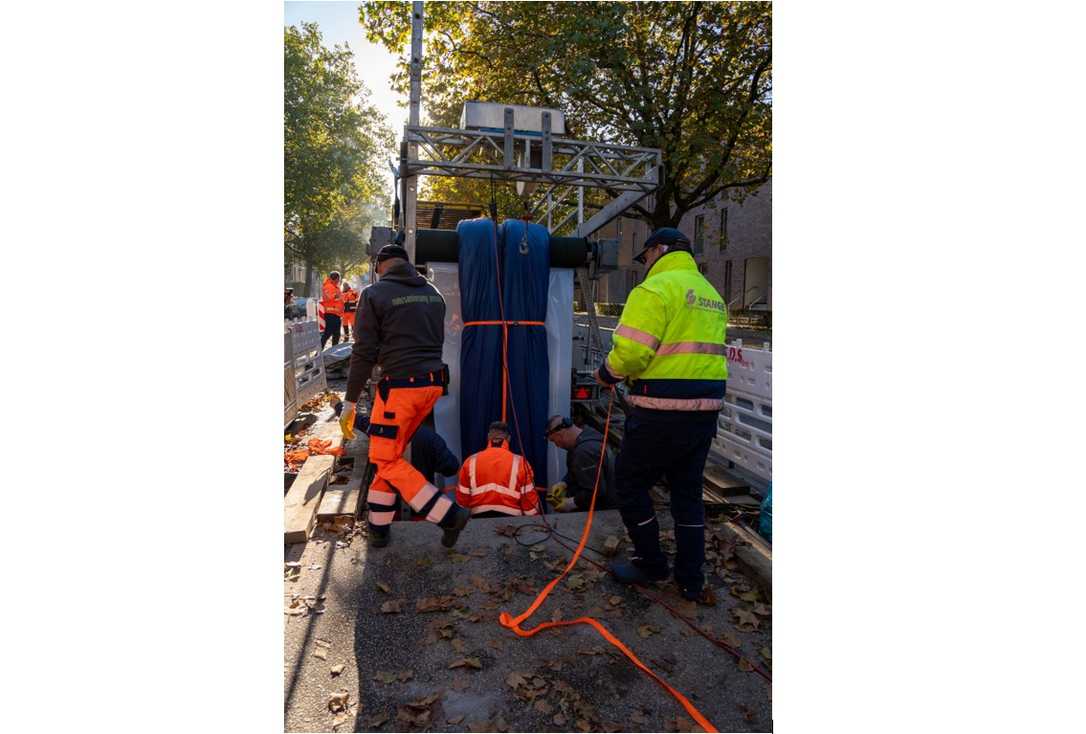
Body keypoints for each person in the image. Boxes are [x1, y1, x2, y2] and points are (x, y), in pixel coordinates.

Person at [594, 227, 728, 602]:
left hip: (659, 410)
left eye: (645, 256)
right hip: (704, 413)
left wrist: (606, 373)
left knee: (630, 483)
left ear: (658, 250)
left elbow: (633, 353)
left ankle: (651, 564)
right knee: (688, 493)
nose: (645, 263)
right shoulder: (711, 295)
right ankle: (691, 580)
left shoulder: (654, 290)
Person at [339, 244, 470, 548]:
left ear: (379, 267)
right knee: (391, 456)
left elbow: (363, 353)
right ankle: (379, 529)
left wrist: (349, 402)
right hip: (432, 386)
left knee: (384, 460)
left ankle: (449, 516)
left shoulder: (374, 294)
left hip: (400, 389)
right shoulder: (433, 293)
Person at [456, 422, 540, 518]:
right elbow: (530, 505)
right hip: (512, 522)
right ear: (508, 438)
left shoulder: (471, 461)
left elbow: (462, 501)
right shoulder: (520, 462)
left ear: (488, 437)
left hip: (478, 520)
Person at [543, 415, 617, 512]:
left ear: (560, 434)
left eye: (554, 440)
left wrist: (571, 503)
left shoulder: (584, 452)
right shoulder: (586, 436)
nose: (557, 445)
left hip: (601, 511)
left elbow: (596, 491)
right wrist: (564, 483)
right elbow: (578, 471)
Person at [320, 271, 345, 348]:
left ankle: (334, 352)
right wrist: (338, 296)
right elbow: (330, 297)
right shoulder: (328, 286)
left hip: (336, 314)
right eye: (338, 279)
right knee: (328, 333)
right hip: (331, 314)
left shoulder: (334, 287)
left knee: (337, 334)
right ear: (336, 279)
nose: (339, 281)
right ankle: (319, 352)